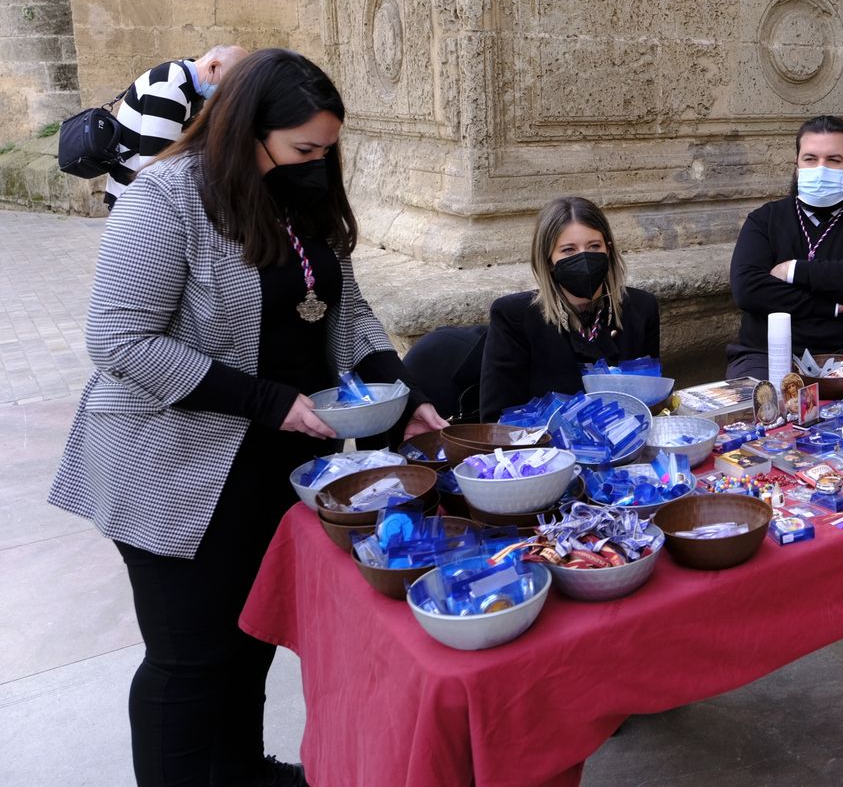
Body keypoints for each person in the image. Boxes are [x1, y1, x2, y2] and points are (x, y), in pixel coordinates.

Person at [48, 48, 447, 787]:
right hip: (176, 467)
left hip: (276, 461)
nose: (318, 164)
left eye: (328, 150)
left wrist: (403, 391)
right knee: (189, 657)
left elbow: (345, 310)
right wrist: (268, 401)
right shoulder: (165, 198)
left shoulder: (299, 199)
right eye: (304, 149)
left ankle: (239, 770)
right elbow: (119, 338)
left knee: (249, 635)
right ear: (246, 130)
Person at [726, 115, 843, 380]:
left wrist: (793, 271)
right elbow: (748, 289)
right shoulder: (764, 220)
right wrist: (831, 304)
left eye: (833, 160)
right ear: (796, 165)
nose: (821, 168)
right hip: (766, 355)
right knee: (762, 409)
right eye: (810, 159)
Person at [479, 196, 660, 420]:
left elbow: (651, 400)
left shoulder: (641, 308)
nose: (584, 258)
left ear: (609, 250)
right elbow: (497, 419)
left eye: (594, 246)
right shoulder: (515, 317)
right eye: (568, 250)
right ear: (548, 260)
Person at [104, 45, 250, 207]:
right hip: (136, 202)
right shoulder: (170, 89)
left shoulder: (188, 86)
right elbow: (156, 168)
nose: (228, 94)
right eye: (228, 86)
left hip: (142, 193)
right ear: (213, 67)